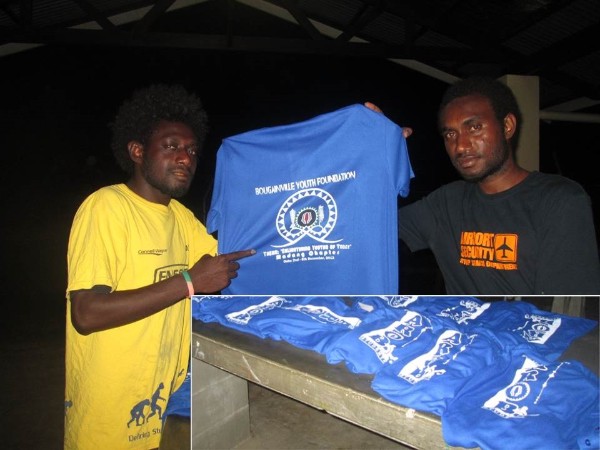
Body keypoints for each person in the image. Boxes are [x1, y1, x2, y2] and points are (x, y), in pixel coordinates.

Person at [64, 84, 254, 449]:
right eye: (171, 146)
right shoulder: (106, 207)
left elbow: (238, 260)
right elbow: (86, 314)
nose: (185, 158)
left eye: (192, 150)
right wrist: (189, 282)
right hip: (111, 409)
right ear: (138, 151)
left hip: (170, 395)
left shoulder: (181, 218)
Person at [375, 76, 600, 294]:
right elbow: (369, 225)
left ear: (507, 126)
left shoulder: (559, 200)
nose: (460, 146)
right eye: (451, 134)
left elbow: (566, 307)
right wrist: (373, 154)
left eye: (474, 127)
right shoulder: (445, 204)